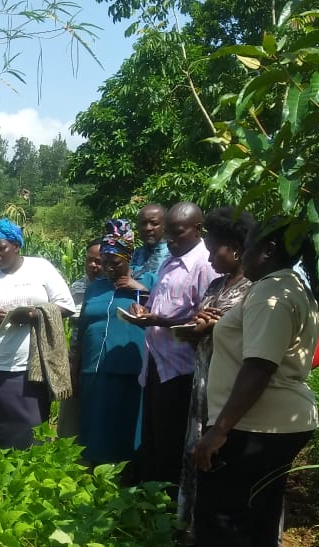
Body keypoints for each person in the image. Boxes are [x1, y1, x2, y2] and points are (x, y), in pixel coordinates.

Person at [192, 218, 319, 547]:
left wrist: (218, 429)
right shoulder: (289, 287)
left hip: (256, 426)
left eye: (246, 246)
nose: (241, 253)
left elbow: (260, 366)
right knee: (257, 522)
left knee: (223, 523)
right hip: (277, 423)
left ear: (265, 251)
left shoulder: (271, 292)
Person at [177, 207, 256, 533]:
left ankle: (224, 534)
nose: (209, 259)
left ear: (236, 249)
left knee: (225, 458)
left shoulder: (253, 290)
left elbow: (257, 343)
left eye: (213, 252)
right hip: (203, 380)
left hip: (234, 385)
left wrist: (220, 327)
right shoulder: (216, 287)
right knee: (198, 451)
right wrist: (194, 332)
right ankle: (196, 531)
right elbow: (204, 335)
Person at [128, 201, 216, 489]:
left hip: (182, 369)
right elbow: (157, 304)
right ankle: (149, 502)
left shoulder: (205, 265)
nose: (170, 240)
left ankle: (167, 509)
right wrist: (144, 313)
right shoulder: (169, 261)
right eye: (169, 233)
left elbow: (208, 322)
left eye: (177, 233)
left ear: (197, 230)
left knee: (172, 440)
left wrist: (162, 322)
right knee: (153, 436)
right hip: (156, 363)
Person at [0, 219, 75, 450]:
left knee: (31, 429)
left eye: (1, 248)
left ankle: (32, 479)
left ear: (16, 245)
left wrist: (34, 315)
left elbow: (66, 305)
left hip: (30, 368)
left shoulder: (40, 268)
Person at [74, 222, 153, 465]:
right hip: (93, 368)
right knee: (93, 427)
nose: (107, 268)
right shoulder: (96, 287)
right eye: (104, 261)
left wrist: (139, 288)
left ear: (128, 257)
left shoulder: (147, 281)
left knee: (124, 428)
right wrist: (74, 366)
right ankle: (94, 479)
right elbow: (82, 327)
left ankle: (127, 479)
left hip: (127, 369)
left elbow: (166, 313)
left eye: (114, 262)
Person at [57, 237, 104, 439]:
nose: (93, 266)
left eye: (99, 261)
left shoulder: (118, 289)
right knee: (71, 417)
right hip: (76, 358)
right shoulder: (77, 287)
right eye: (89, 260)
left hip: (100, 360)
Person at [131, 203, 170, 277]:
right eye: (143, 224)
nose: (148, 228)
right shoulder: (135, 254)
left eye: (154, 223)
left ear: (165, 225)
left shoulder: (174, 255)